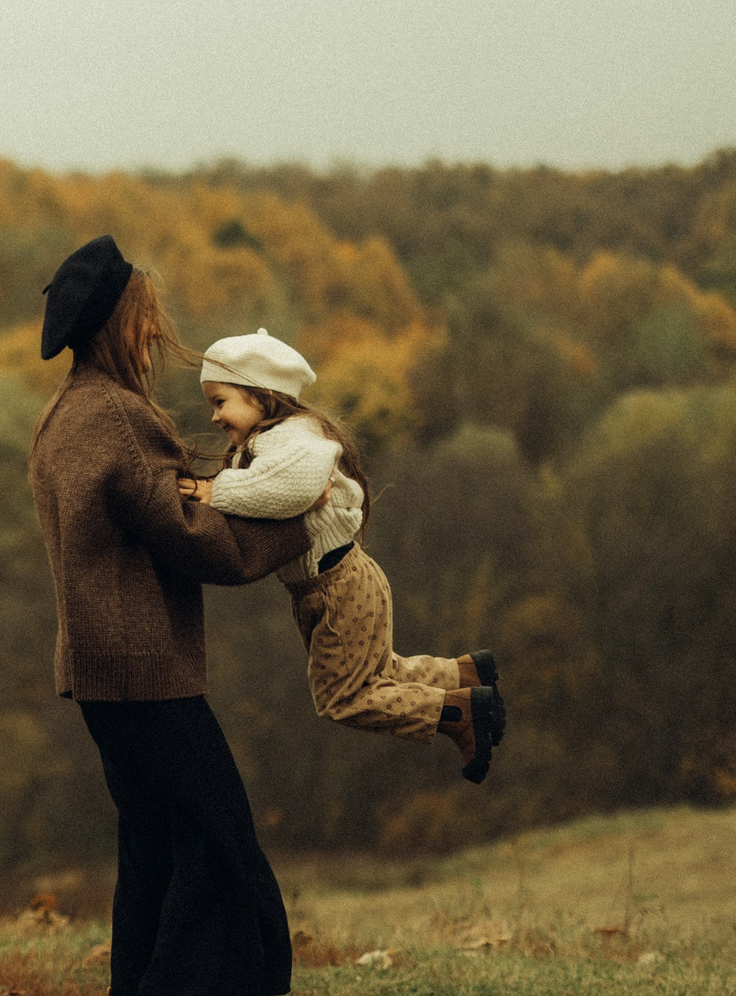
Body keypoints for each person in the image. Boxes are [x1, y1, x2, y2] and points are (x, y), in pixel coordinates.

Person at [27, 235, 307, 996]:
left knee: (151, 837)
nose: (157, 334)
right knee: (217, 839)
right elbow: (198, 542)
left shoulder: (62, 415)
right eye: (146, 319)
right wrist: (304, 518)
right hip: (145, 668)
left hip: (98, 669)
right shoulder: (119, 417)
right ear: (119, 323)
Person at [179, 328, 507, 780]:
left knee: (344, 698)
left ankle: (458, 713)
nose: (214, 417)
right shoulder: (267, 445)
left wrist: (213, 492)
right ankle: (464, 676)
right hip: (335, 586)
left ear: (261, 396)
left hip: (338, 589)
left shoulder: (296, 438)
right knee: (378, 675)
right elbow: (264, 500)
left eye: (220, 401)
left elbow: (287, 488)